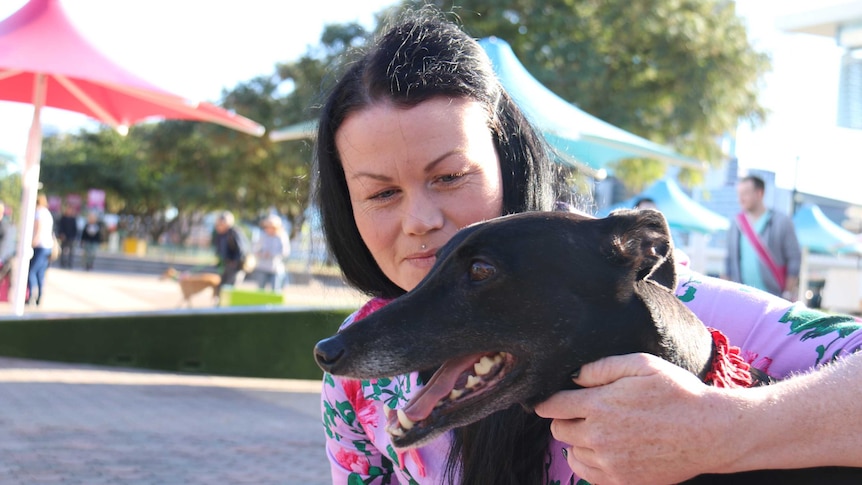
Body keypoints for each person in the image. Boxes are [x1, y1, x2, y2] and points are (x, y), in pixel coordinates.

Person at [315, 9, 862, 485]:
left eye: (451, 176)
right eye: (382, 192)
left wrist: (723, 428)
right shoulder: (356, 373)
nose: (420, 220)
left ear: (508, 164)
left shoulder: (651, 308)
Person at [724, 174, 802, 300]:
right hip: (741, 297)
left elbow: (794, 258)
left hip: (774, 298)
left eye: (745, 194)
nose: (741, 199)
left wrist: (787, 293)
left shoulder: (781, 222)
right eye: (739, 194)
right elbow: (728, 262)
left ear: (759, 193)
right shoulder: (736, 224)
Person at [212, 210, 247, 299]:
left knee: (230, 289)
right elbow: (219, 249)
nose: (219, 225)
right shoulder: (220, 234)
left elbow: (242, 250)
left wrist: (234, 261)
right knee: (221, 288)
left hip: (235, 267)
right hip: (224, 266)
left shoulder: (234, 232)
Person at [27, 193, 55, 306]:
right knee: (40, 272)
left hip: (40, 245)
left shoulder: (38, 213)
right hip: (48, 246)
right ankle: (39, 296)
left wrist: (32, 243)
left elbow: (38, 230)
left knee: (31, 271)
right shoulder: (48, 213)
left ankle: (31, 296)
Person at [252, 214, 290, 292]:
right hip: (262, 267)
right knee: (260, 291)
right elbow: (255, 249)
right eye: (267, 226)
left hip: (275, 268)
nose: (268, 229)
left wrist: (272, 254)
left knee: (275, 291)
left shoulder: (282, 236)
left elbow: (285, 252)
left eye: (271, 227)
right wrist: (261, 254)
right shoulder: (263, 235)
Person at [56, 204, 79, 269]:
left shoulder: (73, 219)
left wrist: (74, 236)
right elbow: (60, 227)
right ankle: (62, 263)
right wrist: (61, 234)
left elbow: (75, 229)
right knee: (63, 251)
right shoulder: (63, 218)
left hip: (71, 237)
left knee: (71, 251)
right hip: (64, 237)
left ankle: (70, 263)